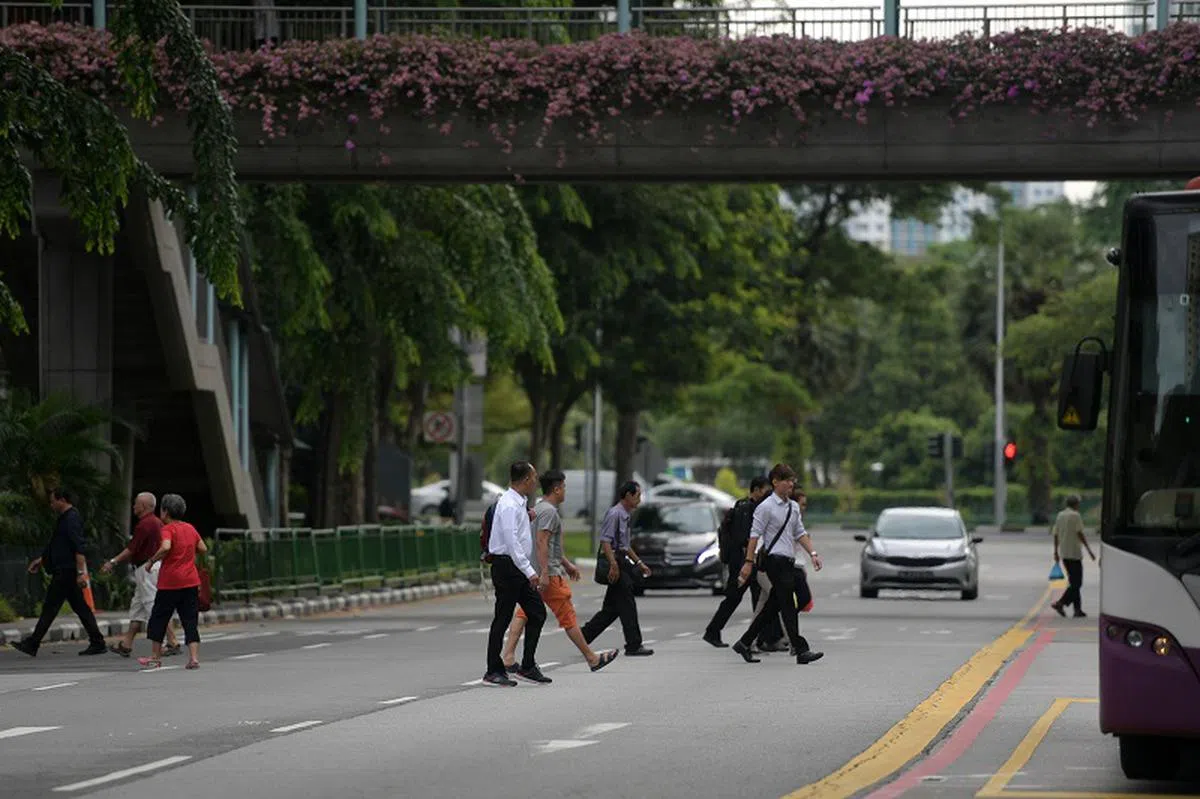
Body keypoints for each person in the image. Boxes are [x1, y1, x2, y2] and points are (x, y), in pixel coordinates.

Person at [500, 469, 619, 673]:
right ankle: (592, 659)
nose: (565, 491)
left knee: (524, 613)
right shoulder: (549, 512)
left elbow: (548, 544)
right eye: (563, 487)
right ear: (556, 489)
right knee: (567, 616)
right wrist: (546, 572)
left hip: (536, 571)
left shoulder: (538, 509)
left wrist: (565, 563)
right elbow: (541, 542)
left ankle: (508, 656)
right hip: (548, 575)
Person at [732, 464, 824, 665]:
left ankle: (745, 642)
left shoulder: (792, 507)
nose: (791, 484)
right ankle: (800, 649)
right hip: (773, 561)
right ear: (775, 482)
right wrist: (748, 562)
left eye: (792, 481)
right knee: (788, 604)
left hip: (788, 561)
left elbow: (800, 533)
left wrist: (813, 553)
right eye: (787, 480)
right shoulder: (765, 507)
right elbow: (754, 536)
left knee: (773, 606)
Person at [11, 488, 107, 658]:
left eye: (53, 501)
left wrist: (80, 574)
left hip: (67, 571)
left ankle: (33, 643)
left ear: (62, 500)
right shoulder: (64, 519)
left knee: (50, 608)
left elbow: (78, 547)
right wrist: (41, 561)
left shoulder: (71, 519)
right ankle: (97, 641)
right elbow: (58, 546)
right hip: (64, 570)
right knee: (80, 608)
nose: (51, 504)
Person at [482, 461, 551, 686]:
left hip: (515, 567)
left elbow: (517, 534)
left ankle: (528, 666)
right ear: (525, 480)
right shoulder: (509, 505)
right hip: (508, 567)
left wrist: (526, 515)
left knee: (537, 613)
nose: (536, 482)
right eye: (534, 477)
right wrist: (530, 571)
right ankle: (493, 670)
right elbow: (512, 543)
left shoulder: (518, 503)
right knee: (502, 618)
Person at [100, 492, 181, 658]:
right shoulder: (156, 522)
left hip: (147, 569)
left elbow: (131, 549)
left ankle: (172, 641)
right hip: (148, 569)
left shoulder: (145, 524)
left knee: (155, 607)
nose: (133, 506)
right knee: (137, 608)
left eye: (136, 503)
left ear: (143, 506)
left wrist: (113, 562)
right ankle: (126, 644)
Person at [581, 481, 655, 657]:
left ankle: (583, 636)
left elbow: (625, 545)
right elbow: (606, 541)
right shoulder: (615, 514)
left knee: (612, 609)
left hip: (621, 561)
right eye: (637, 495)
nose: (639, 499)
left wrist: (639, 563)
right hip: (615, 562)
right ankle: (633, 644)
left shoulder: (625, 515)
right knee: (627, 604)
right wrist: (613, 564)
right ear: (628, 496)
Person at [138, 494, 206, 670]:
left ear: (165, 511)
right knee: (190, 620)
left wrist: (152, 560)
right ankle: (194, 658)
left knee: (159, 618)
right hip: (190, 581)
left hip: (170, 582)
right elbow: (203, 548)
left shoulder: (168, 529)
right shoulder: (190, 528)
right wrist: (187, 556)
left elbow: (166, 547)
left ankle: (155, 657)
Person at [703, 476, 771, 648]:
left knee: (758, 597)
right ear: (755, 490)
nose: (767, 494)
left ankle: (760, 636)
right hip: (742, 561)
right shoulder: (745, 509)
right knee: (734, 597)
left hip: (749, 559)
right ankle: (713, 631)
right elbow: (743, 538)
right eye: (764, 490)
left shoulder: (754, 508)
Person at [1051, 494, 1096, 618]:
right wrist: (1089, 550)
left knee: (1074, 582)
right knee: (1077, 583)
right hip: (1075, 553)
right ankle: (1060, 603)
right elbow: (1080, 533)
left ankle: (1077, 610)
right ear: (1076, 504)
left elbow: (1055, 534)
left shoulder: (1060, 515)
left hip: (1064, 553)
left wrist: (1055, 551)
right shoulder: (1075, 516)